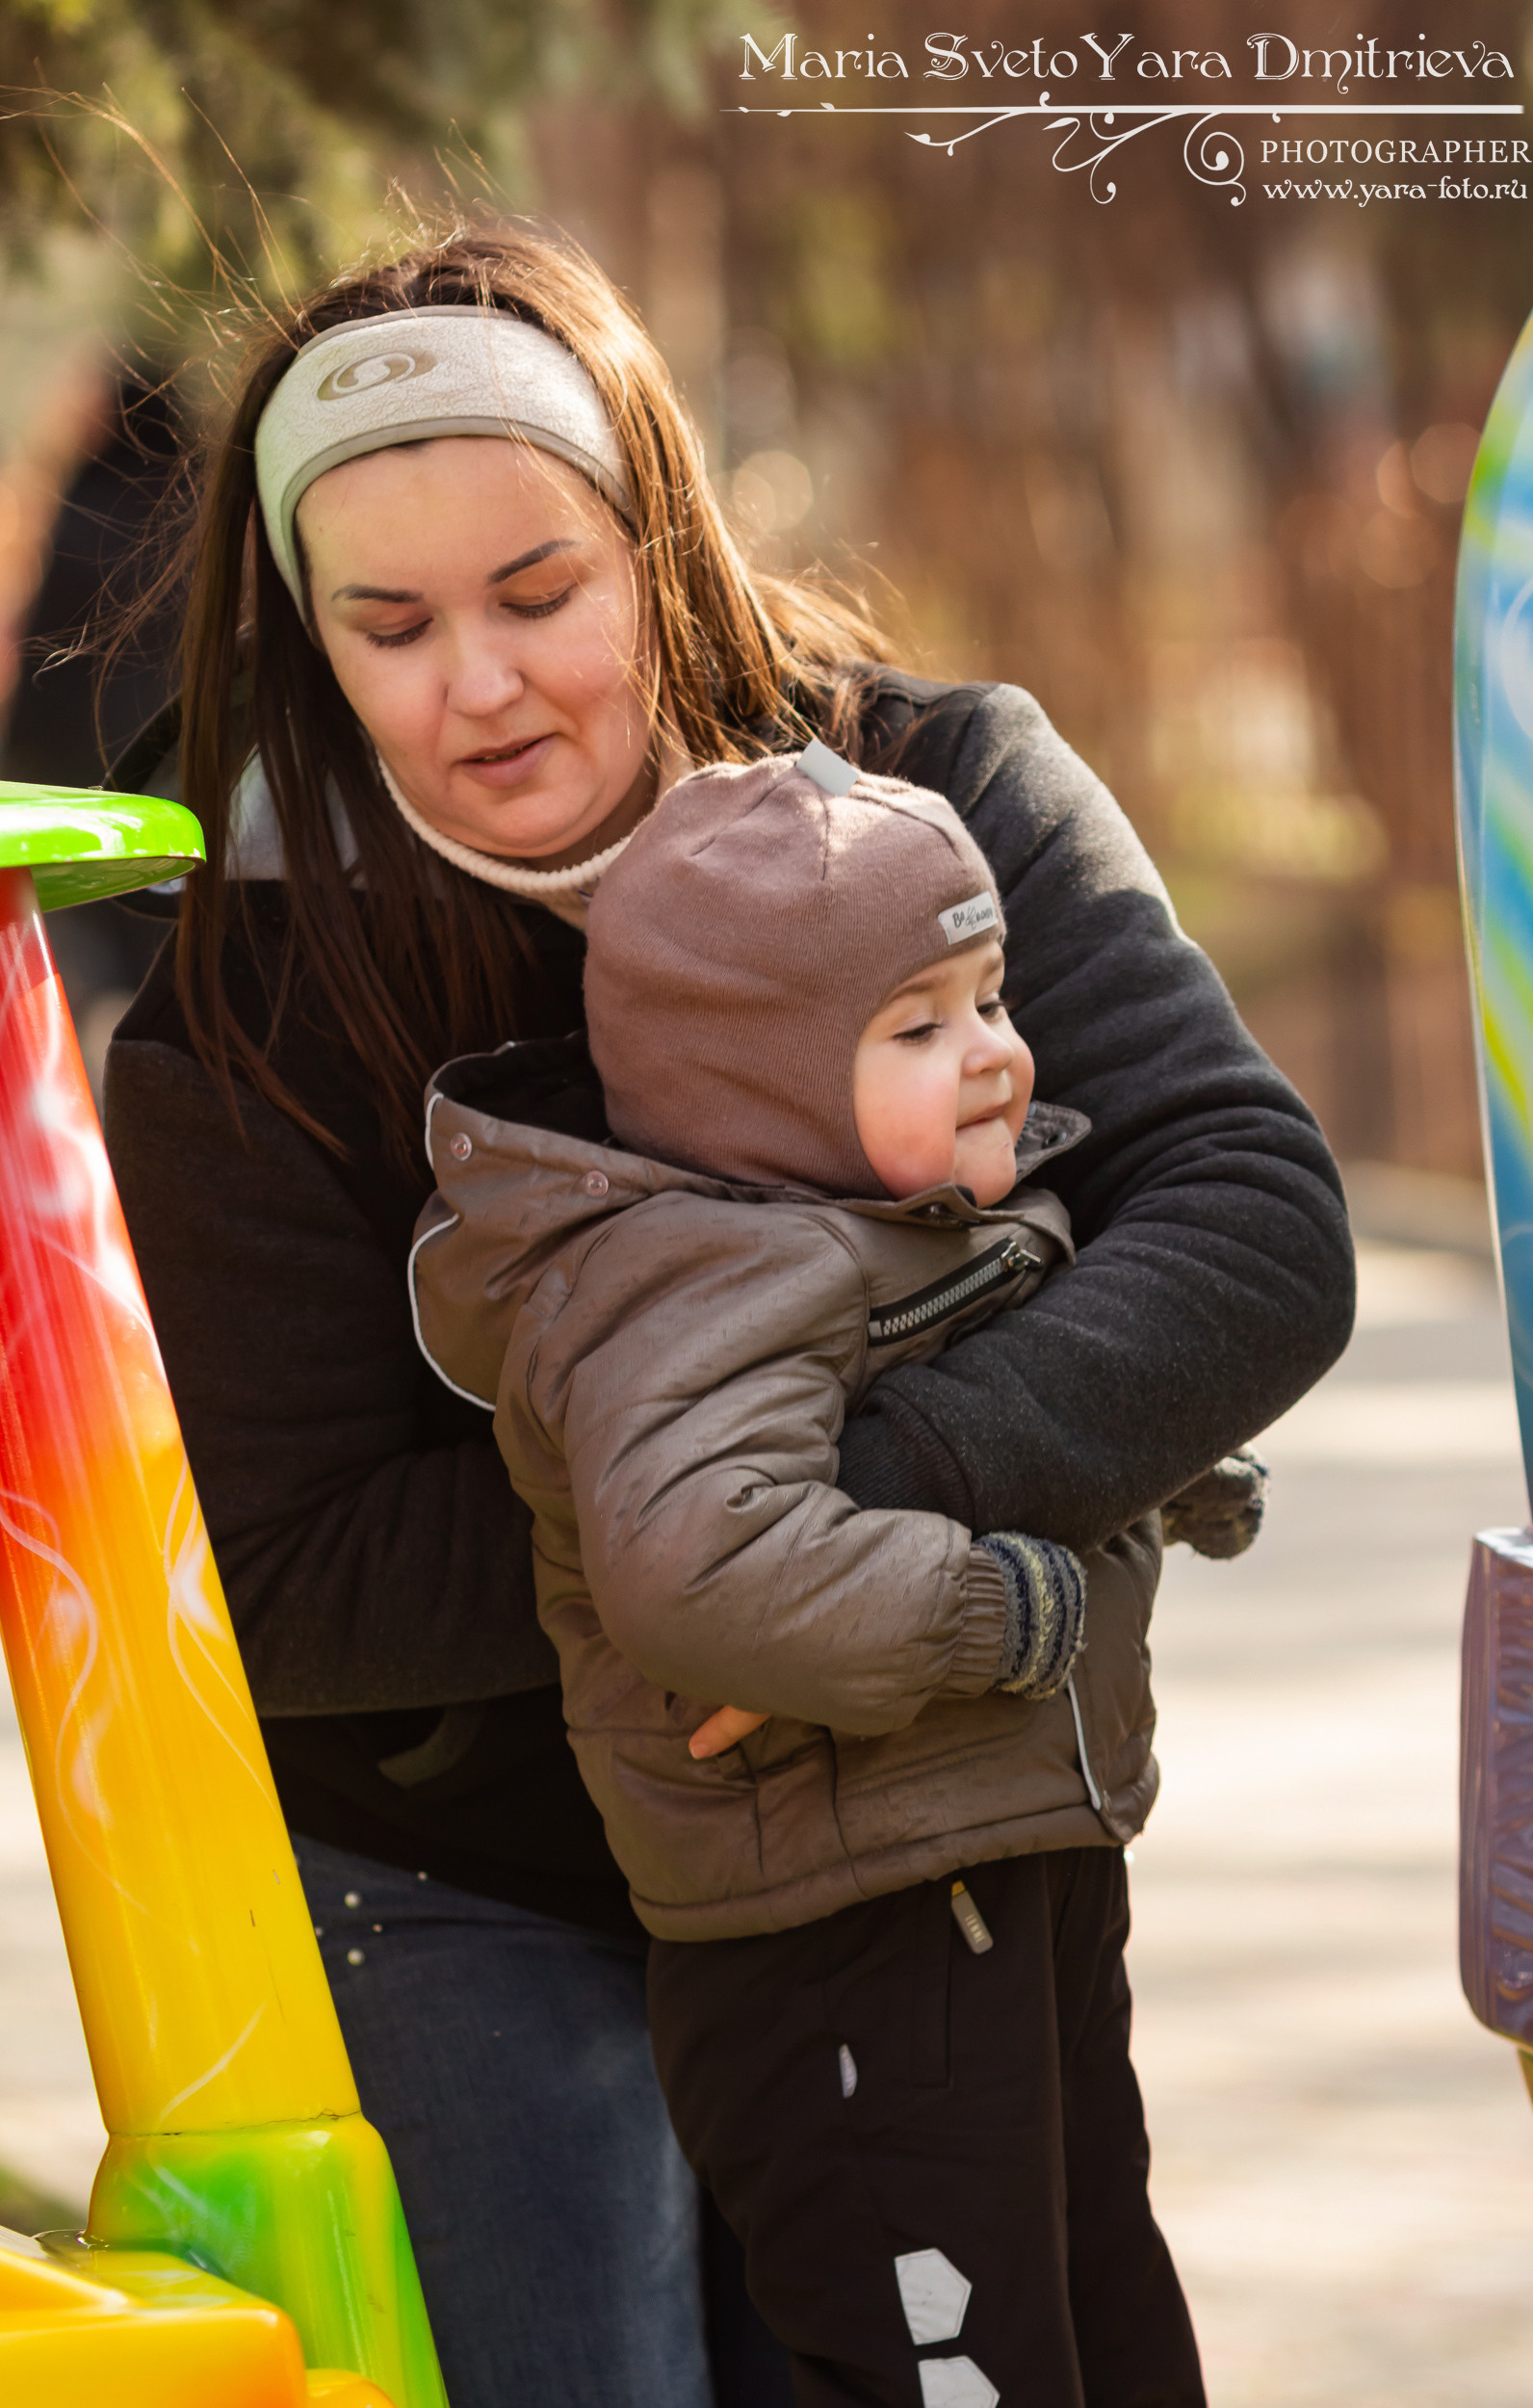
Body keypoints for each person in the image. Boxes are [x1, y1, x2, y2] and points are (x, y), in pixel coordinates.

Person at [100, 218, 1355, 2408]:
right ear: (307, 636)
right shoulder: (257, 995)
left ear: (656, 543)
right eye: (385, 627)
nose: (476, 686)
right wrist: (683, 1571)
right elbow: (277, 1577)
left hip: (902, 1825)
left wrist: (819, 1522)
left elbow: (1249, 1224)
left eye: (537, 595)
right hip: (472, 1881)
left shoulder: (941, 799)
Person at [409, 744, 1196, 2404]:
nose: (990, 1055)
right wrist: (1000, 1607)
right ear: (750, 1084)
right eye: (918, 1025)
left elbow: (970, 1408)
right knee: (962, 2366)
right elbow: (703, 1559)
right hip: (847, 1930)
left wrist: (1165, 1470)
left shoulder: (894, 1223)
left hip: (987, 1877)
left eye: (989, 997)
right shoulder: (696, 1277)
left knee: (1108, 2324)